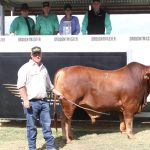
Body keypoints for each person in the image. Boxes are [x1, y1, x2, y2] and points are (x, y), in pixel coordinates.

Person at [17, 46, 63, 150]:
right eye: (35, 54)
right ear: (31, 55)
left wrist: (59, 93)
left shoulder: (44, 69)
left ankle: (50, 147)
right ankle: (32, 148)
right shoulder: (25, 68)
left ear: (41, 54)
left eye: (39, 53)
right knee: (31, 128)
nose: (37, 56)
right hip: (31, 103)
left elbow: (50, 87)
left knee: (47, 126)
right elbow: (20, 85)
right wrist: (25, 100)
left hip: (44, 103)